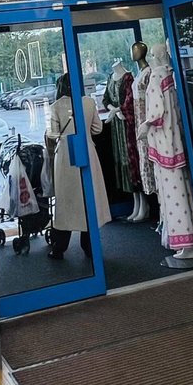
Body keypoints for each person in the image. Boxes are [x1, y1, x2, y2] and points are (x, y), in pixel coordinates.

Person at [46, 51, 108, 259]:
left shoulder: (55, 106)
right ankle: (89, 246)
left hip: (65, 155)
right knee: (88, 197)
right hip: (87, 151)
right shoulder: (89, 103)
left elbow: (53, 134)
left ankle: (59, 247)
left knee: (67, 201)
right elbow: (98, 128)